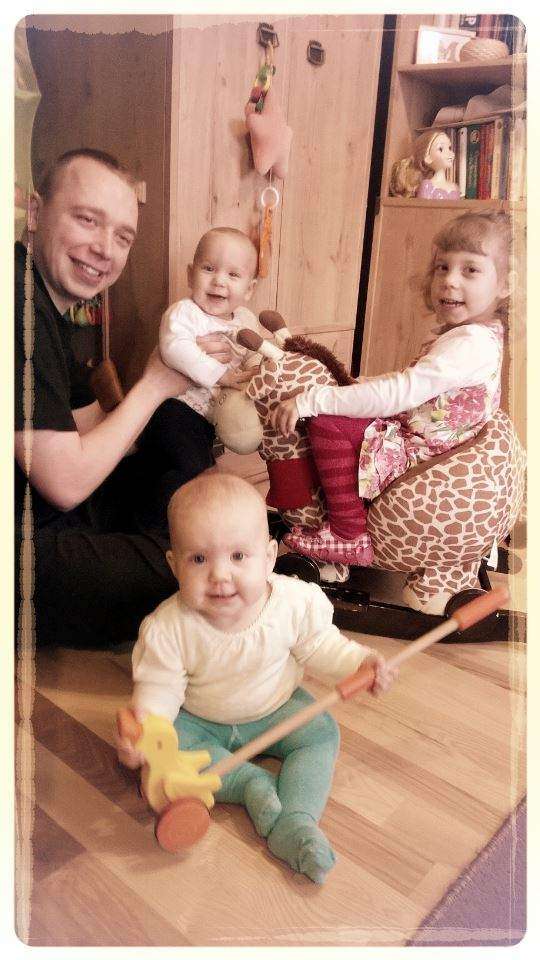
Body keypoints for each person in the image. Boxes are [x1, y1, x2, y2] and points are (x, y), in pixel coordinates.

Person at [116, 472, 397, 884]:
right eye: (199, 560)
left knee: (320, 733)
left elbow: (321, 646)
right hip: (200, 719)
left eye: (238, 556)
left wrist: (362, 663)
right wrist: (146, 732)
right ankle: (249, 784)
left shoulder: (293, 604)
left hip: (275, 706)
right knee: (177, 758)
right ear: (175, 566)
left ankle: (297, 820)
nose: (220, 575)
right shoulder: (168, 627)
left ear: (268, 557)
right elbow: (159, 688)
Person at [15, 148, 237, 648]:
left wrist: (192, 433)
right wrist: (156, 382)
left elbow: (100, 436)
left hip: (45, 511)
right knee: (197, 570)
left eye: (122, 237)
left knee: (202, 515)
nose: (105, 249)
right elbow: (67, 482)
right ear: (35, 212)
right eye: (87, 220)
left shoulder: (51, 309)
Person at [270, 211, 511, 565]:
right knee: (349, 407)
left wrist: (313, 400)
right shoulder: (476, 334)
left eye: (470, 270)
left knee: (327, 422)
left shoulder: (469, 345)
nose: (449, 280)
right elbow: (411, 383)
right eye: (442, 267)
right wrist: (357, 385)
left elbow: (401, 392)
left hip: (420, 454)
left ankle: (349, 532)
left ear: (505, 284)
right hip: (431, 439)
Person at [159, 227, 263, 423]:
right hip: (184, 406)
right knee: (175, 427)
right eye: (208, 269)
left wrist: (258, 372)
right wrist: (220, 375)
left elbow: (253, 355)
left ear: (249, 289)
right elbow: (174, 348)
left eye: (233, 274)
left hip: (223, 410)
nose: (219, 281)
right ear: (191, 275)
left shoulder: (246, 319)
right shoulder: (184, 313)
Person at [389, 130, 460, 200]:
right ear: (428, 158)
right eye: (441, 149)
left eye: (449, 148)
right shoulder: (427, 186)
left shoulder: (454, 187)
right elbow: (423, 207)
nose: (450, 153)